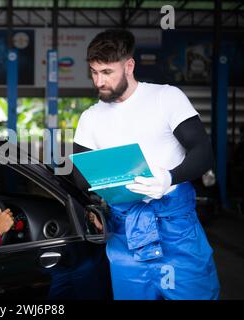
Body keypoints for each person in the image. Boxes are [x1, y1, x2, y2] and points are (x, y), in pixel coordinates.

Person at [73, 29, 220, 300]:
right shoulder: (90, 118)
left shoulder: (166, 97)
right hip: (124, 232)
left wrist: (169, 178)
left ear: (129, 66)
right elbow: (80, 176)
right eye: (94, 72)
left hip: (176, 228)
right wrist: (92, 204)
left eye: (107, 72)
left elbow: (203, 152)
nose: (98, 82)